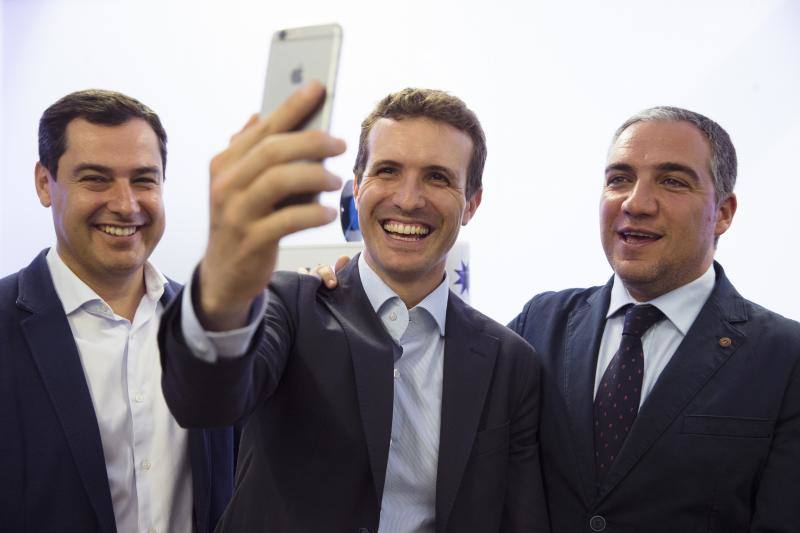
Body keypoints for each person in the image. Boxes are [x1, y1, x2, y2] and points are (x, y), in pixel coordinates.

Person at [159, 84, 549, 532]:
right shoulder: (289, 304)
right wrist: (225, 280)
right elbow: (205, 400)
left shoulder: (509, 362)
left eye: (437, 177)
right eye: (388, 171)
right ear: (357, 187)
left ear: (472, 203)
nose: (408, 199)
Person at [509, 107, 800, 532]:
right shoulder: (541, 322)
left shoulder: (785, 357)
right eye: (619, 179)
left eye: (672, 181)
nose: (636, 203)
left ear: (723, 212)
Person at [0, 90, 235, 533]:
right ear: (44, 183)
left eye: (145, 180)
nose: (126, 205)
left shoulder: (209, 328)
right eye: (96, 179)